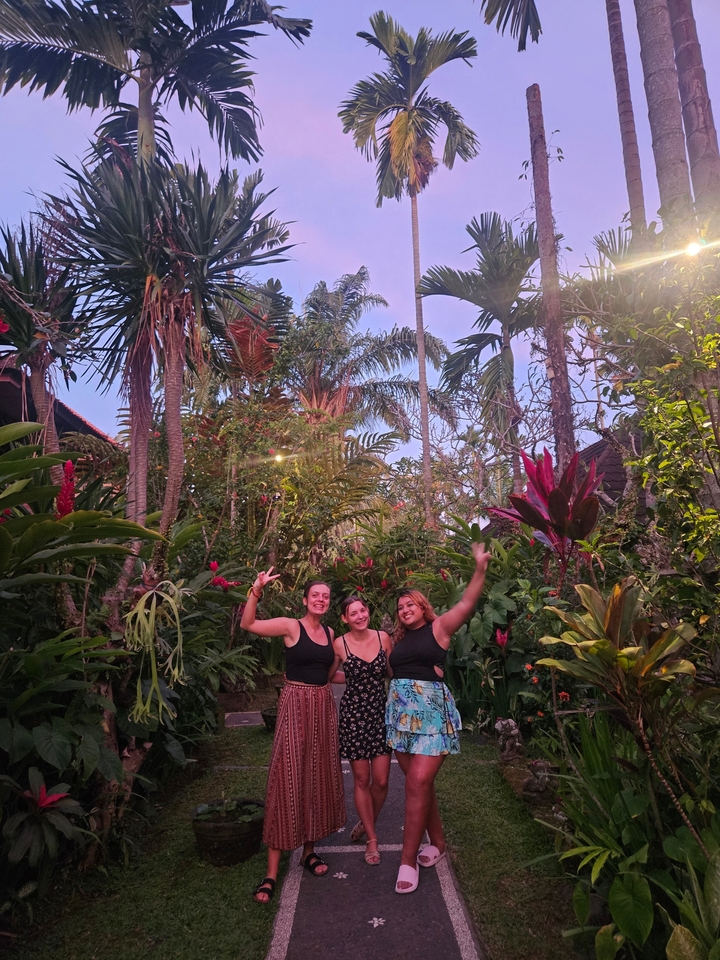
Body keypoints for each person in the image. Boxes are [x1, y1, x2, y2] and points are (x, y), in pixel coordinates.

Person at [387, 542, 491, 894]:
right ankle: (440, 843)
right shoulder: (396, 642)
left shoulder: (439, 629)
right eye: (400, 607)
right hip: (402, 718)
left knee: (416, 783)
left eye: (410, 604)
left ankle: (406, 858)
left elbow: (466, 603)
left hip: (431, 717)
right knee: (421, 783)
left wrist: (479, 568)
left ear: (422, 606)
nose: (404, 609)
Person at [241, 570, 346, 903]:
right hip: (295, 703)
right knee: (286, 778)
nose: (320, 599)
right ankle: (271, 872)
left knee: (317, 776)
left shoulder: (330, 632)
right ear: (305, 599)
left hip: (322, 706)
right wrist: (256, 590)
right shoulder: (290, 625)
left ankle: (308, 851)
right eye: (314, 594)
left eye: (325, 596)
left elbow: (330, 673)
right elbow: (249, 624)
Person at [332, 595, 393, 866]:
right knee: (361, 780)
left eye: (363, 610)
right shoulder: (339, 644)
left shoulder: (383, 638)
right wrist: (355, 677)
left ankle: (367, 820)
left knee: (380, 781)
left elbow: (392, 672)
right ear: (345, 618)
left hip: (380, 714)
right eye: (353, 613)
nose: (360, 615)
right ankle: (371, 837)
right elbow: (329, 675)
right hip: (354, 716)